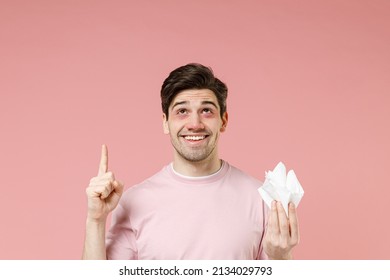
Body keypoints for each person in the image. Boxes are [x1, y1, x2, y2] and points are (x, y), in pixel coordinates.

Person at [82, 63, 299, 260]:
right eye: (182, 111)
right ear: (166, 123)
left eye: (206, 111)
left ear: (223, 121)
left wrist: (282, 257)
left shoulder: (261, 198)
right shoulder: (134, 201)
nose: (194, 124)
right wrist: (95, 220)